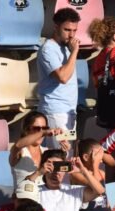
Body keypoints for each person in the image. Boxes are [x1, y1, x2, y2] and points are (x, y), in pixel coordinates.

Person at [37, 8, 81, 145]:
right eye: (67, 30)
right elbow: (63, 77)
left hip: (68, 112)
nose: (71, 35)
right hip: (55, 113)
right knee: (58, 158)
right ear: (56, 27)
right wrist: (74, 53)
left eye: (74, 30)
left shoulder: (66, 48)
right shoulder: (48, 49)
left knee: (67, 157)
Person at [9, 112, 69, 188]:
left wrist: (64, 151)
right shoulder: (21, 151)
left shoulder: (47, 152)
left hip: (44, 197)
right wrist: (43, 132)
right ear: (26, 130)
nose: (41, 132)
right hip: (25, 197)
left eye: (44, 128)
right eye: (36, 129)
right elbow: (17, 145)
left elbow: (61, 172)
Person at [73, 139, 111, 211]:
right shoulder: (77, 174)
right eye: (97, 154)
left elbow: (107, 199)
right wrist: (94, 166)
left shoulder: (102, 173)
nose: (101, 157)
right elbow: (95, 187)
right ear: (85, 157)